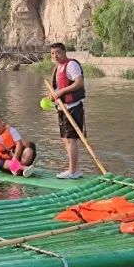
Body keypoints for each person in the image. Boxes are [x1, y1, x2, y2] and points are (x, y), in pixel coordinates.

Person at [47, 42, 85, 179]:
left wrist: (61, 91)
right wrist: (53, 95)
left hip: (73, 107)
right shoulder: (58, 68)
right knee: (65, 139)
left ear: (64, 52)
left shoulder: (71, 65)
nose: (55, 56)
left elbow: (79, 82)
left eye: (57, 52)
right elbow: (58, 88)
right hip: (62, 108)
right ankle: (74, 169)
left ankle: (73, 171)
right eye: (52, 53)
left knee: (71, 139)